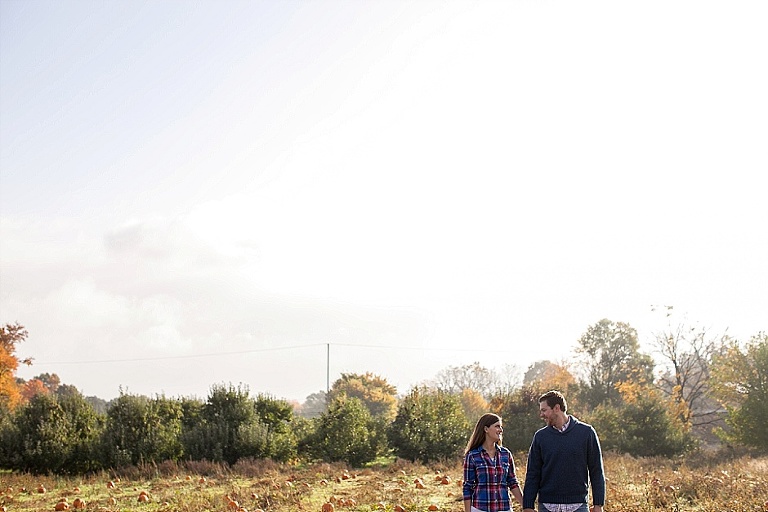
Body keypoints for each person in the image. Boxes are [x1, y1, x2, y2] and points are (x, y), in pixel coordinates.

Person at [522, 390, 606, 512]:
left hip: (578, 505)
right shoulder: (540, 437)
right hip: (547, 506)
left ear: (557, 408)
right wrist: (528, 506)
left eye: (544, 410)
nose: (541, 415)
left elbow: (596, 470)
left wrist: (598, 504)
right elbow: (533, 473)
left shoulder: (586, 433)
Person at [463, 413, 524, 512]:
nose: (501, 430)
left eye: (501, 427)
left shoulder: (506, 454)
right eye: (497, 426)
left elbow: (512, 482)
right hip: (480, 509)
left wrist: (526, 507)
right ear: (486, 429)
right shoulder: (473, 456)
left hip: (504, 509)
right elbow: (467, 487)